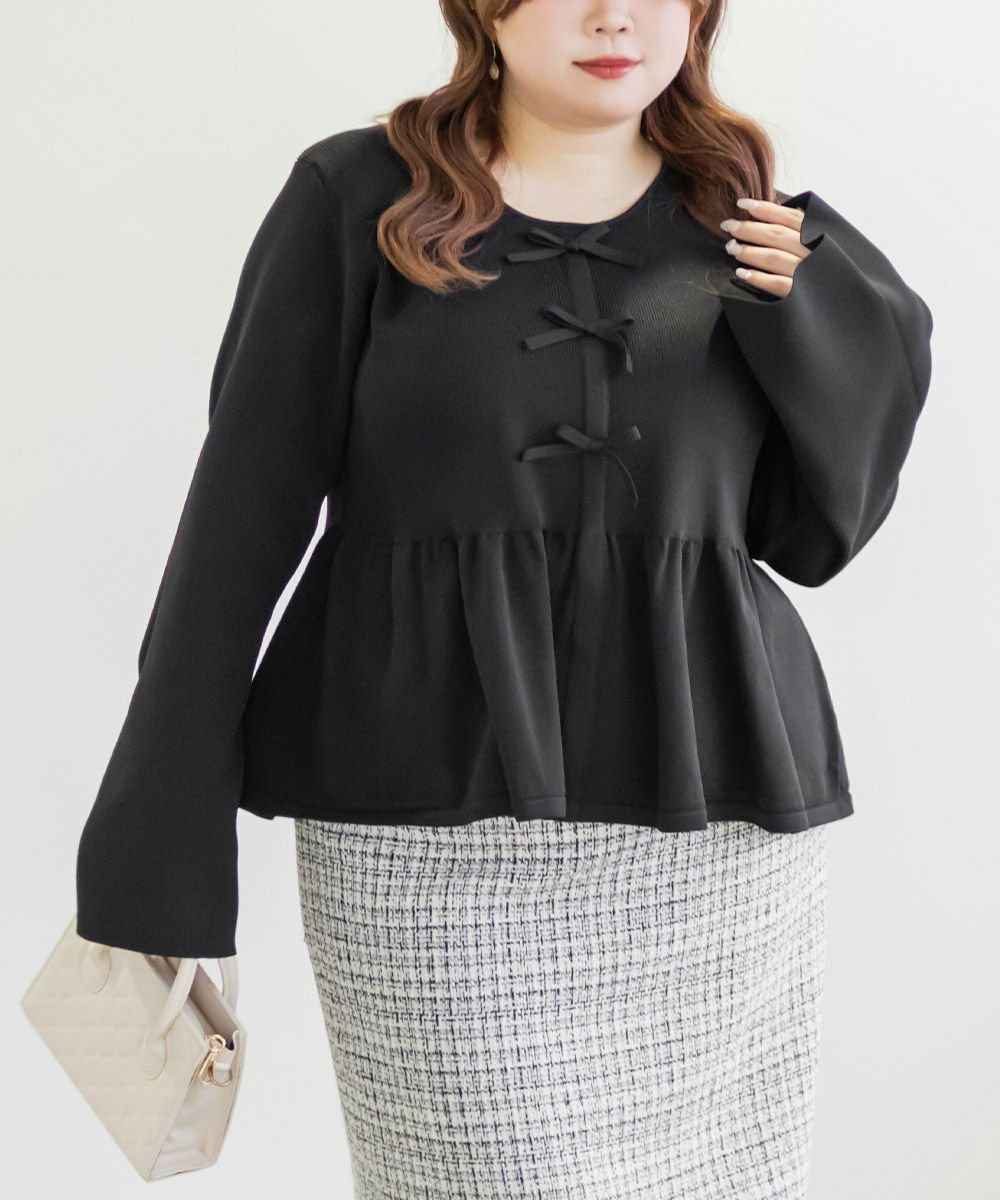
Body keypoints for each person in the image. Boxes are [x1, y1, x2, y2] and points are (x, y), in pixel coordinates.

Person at [75, 0, 933, 1196]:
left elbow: (815, 535)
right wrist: (154, 841)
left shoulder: (746, 228)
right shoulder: (358, 198)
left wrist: (815, 311)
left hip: (713, 831)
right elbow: (239, 519)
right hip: (422, 826)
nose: (613, 16)